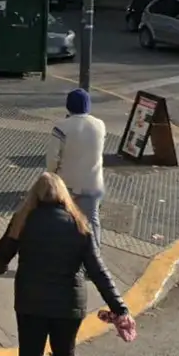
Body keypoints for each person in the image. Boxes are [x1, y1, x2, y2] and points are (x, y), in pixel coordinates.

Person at [0, 172, 131, 356]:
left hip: (31, 302)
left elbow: (2, 256)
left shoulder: (22, 220)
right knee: (65, 355)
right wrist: (119, 308)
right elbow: (98, 271)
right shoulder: (79, 224)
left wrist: (0, 266)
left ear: (34, 195)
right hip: (69, 306)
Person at [46, 88, 105, 246]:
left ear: (69, 106)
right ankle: (95, 253)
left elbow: (52, 157)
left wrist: (52, 175)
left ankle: (61, 251)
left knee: (62, 219)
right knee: (92, 220)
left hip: (67, 183)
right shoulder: (100, 125)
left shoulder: (61, 127)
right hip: (93, 183)